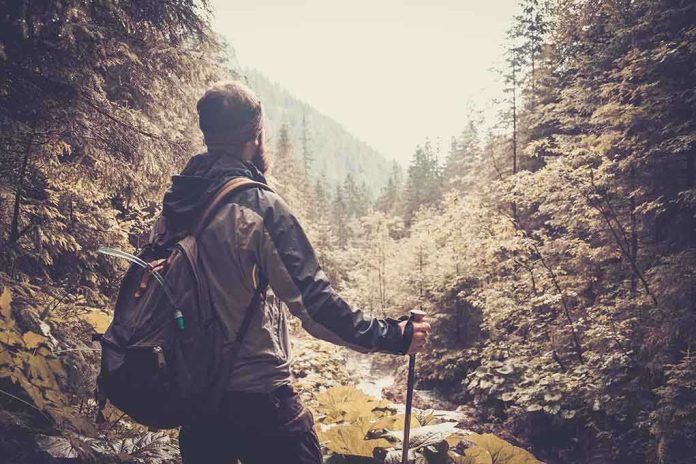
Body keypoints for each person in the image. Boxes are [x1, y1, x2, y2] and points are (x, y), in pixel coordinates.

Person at [161, 80, 431, 464]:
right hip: (261, 403)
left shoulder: (176, 206)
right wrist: (394, 336)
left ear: (208, 134)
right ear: (255, 135)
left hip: (197, 402)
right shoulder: (258, 208)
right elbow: (316, 307)